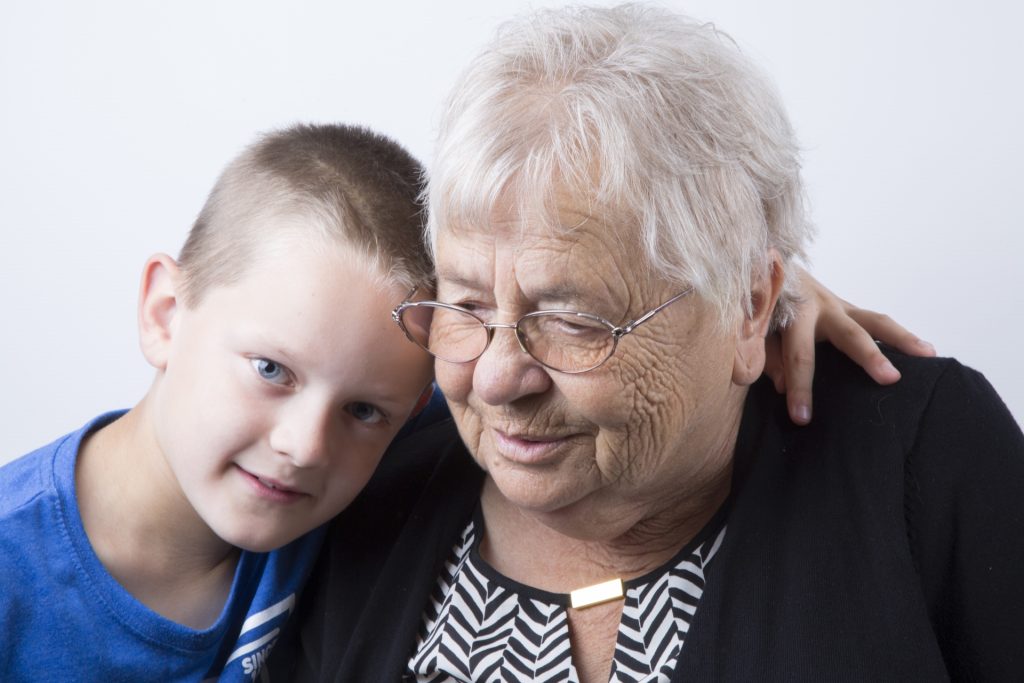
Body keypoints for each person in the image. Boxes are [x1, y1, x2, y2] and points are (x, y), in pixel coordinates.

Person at [271, 5, 1024, 681]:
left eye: (570, 320)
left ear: (749, 305)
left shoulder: (918, 456)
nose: (498, 378)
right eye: (466, 305)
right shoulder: (364, 471)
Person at [0, 123, 436, 680]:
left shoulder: (403, 458)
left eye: (363, 411)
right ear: (164, 315)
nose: (305, 446)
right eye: (271, 370)